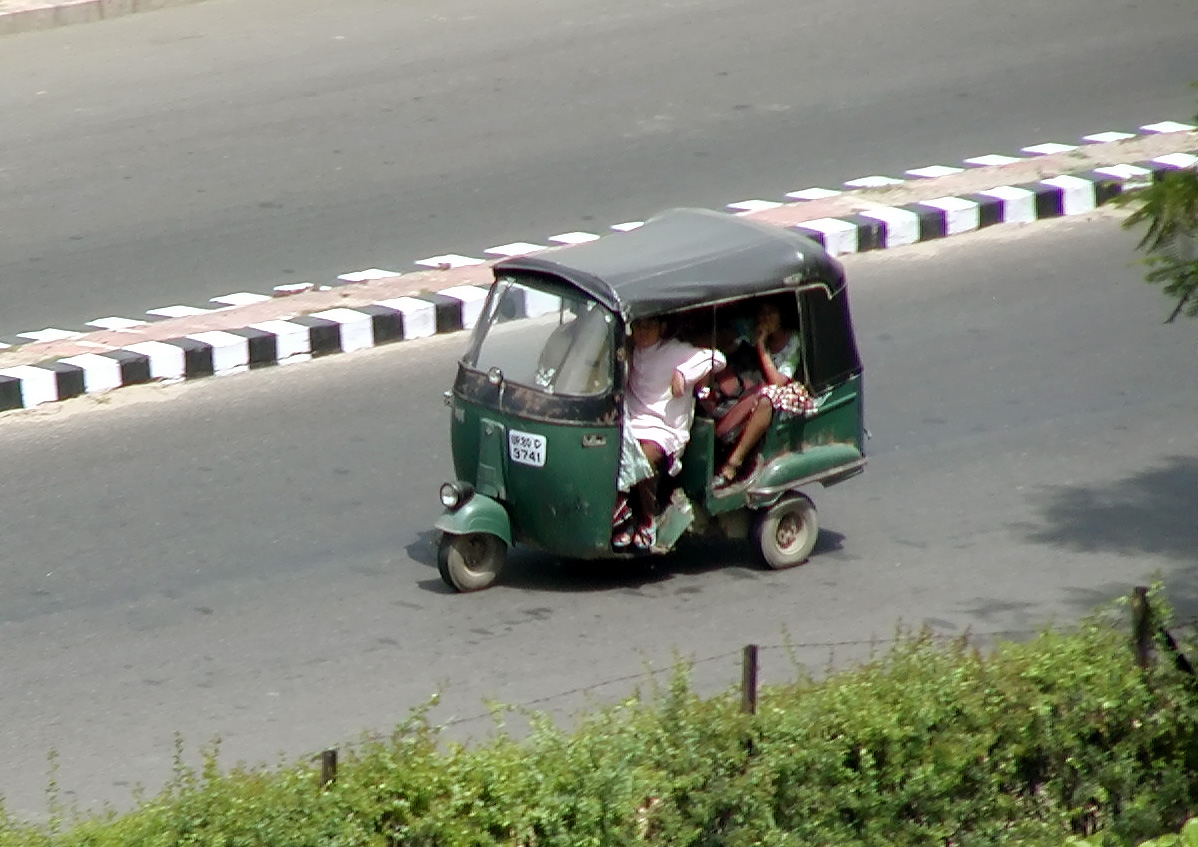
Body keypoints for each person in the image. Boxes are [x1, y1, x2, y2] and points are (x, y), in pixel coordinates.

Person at [613, 315, 726, 550]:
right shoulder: (630, 348)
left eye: (649, 326)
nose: (643, 332)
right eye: (639, 326)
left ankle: (647, 519)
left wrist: (684, 373)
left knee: (643, 459)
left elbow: (717, 358)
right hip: (632, 422)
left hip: (665, 428)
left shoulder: (675, 351)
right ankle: (621, 516)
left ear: (662, 327)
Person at [712, 297, 818, 491]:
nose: (766, 318)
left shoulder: (792, 340)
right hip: (754, 387)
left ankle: (733, 464)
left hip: (782, 392)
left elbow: (778, 381)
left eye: (771, 313)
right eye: (762, 314)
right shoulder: (751, 334)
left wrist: (761, 347)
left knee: (767, 397)